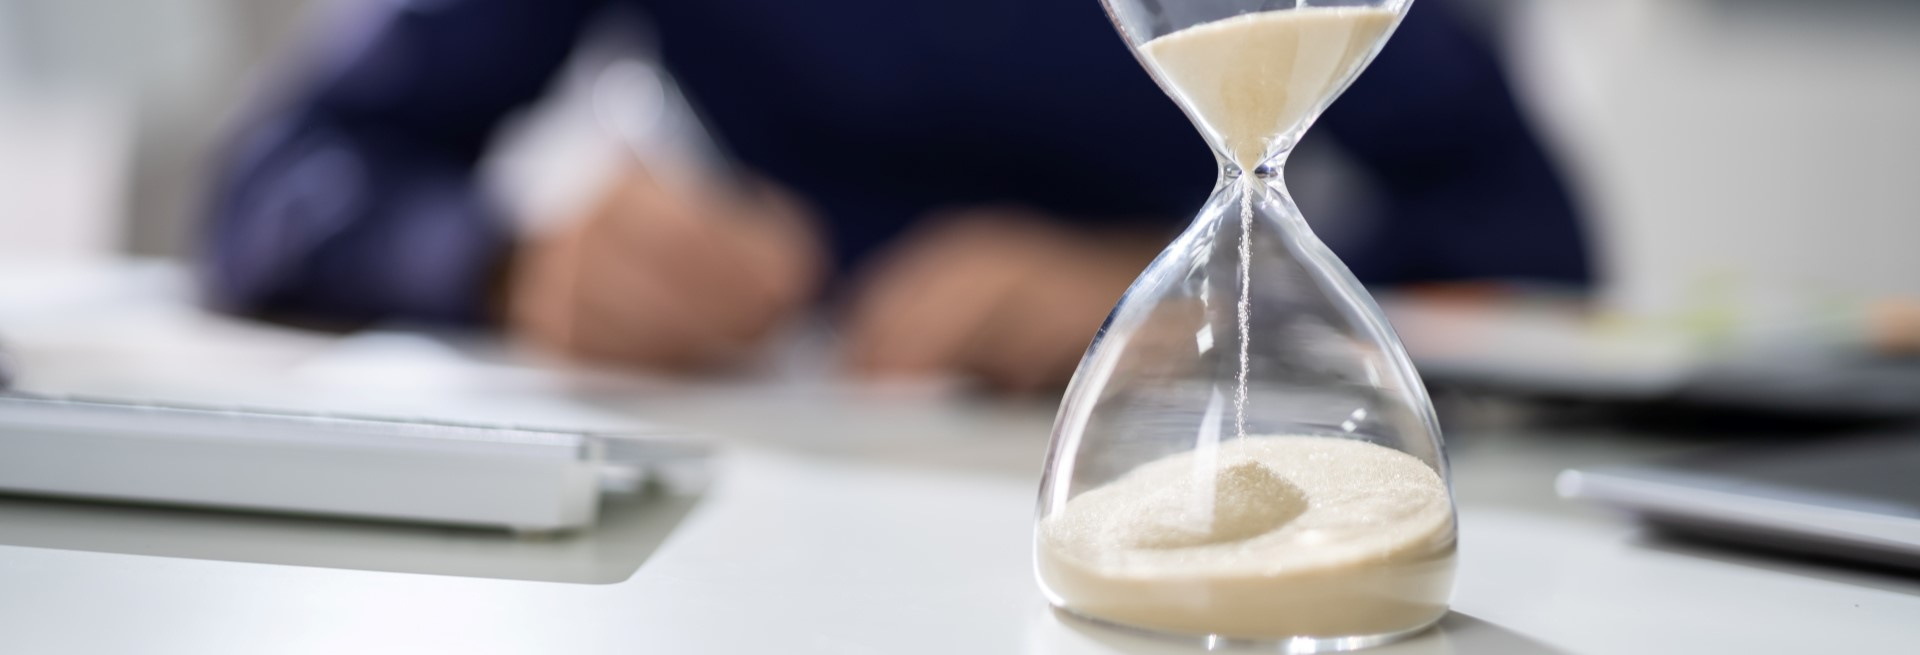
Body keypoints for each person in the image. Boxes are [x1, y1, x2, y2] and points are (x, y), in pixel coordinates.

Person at [204, 0, 1589, 392]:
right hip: (773, 457)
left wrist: (1203, 294)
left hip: (1169, 432)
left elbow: (1535, 248)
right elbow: (286, 181)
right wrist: (507, 258)